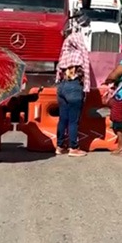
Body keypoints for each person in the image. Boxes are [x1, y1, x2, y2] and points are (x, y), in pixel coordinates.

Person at [55, 21, 90, 157]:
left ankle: (59, 145)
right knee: (73, 120)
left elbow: (58, 72)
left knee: (63, 118)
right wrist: (86, 88)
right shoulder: (80, 55)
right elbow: (86, 70)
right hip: (74, 87)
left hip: (62, 86)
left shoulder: (64, 55)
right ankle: (73, 147)